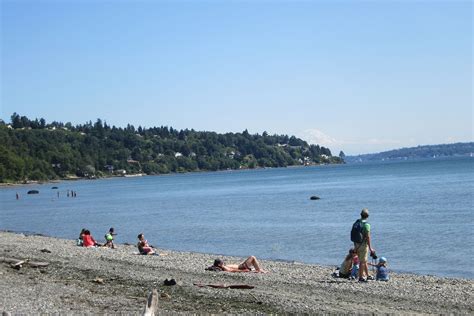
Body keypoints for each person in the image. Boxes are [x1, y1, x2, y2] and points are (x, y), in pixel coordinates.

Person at [353, 208, 375, 282]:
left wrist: (355, 246)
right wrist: (370, 247)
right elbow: (368, 237)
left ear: (360, 215)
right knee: (362, 262)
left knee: (364, 260)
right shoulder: (367, 225)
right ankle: (360, 278)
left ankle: (367, 275)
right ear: (368, 216)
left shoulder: (357, 222)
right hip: (363, 245)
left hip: (356, 244)